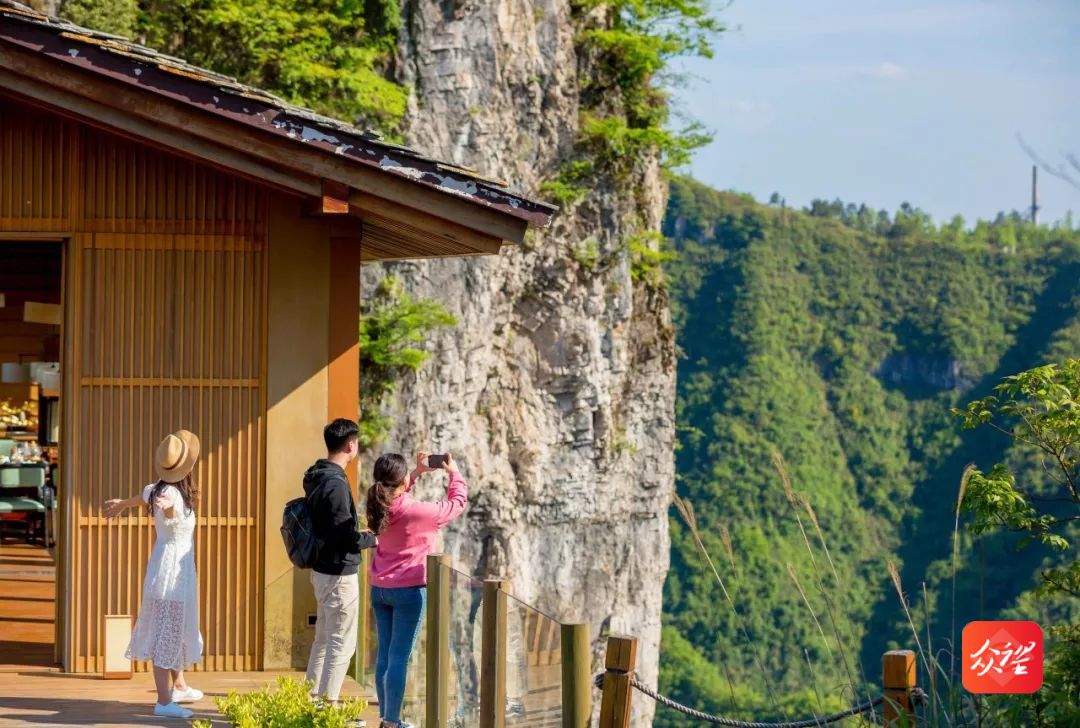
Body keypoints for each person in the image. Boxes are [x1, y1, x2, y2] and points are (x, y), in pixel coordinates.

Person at [103, 429, 204, 719]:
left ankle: (180, 685)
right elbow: (166, 506)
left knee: (175, 625)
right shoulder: (170, 493)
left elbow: (143, 496)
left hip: (168, 567)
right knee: (166, 631)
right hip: (172, 572)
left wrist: (122, 504)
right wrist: (167, 509)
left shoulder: (158, 488)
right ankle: (163, 701)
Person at [367, 451, 468, 728]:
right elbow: (457, 503)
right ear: (400, 482)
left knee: (385, 656)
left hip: (379, 589)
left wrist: (416, 473)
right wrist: (454, 473)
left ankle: (385, 717)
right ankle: (391, 722)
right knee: (399, 658)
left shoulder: (377, 506)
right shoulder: (420, 512)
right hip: (409, 592)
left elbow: (395, 495)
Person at [304, 418, 377, 703]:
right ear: (350, 445)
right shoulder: (334, 483)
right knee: (341, 641)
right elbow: (343, 536)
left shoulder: (317, 474)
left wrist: (354, 533)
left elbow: (332, 527)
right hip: (338, 573)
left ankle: (311, 698)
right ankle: (328, 704)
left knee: (324, 637)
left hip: (322, 569)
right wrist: (371, 539)